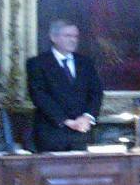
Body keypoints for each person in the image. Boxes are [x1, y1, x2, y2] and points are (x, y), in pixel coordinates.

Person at [25, 19, 104, 152]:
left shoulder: (85, 63)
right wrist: (66, 121)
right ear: (53, 37)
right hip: (52, 133)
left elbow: (96, 93)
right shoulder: (37, 63)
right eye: (68, 36)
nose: (73, 40)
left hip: (82, 134)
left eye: (75, 36)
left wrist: (87, 117)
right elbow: (39, 96)